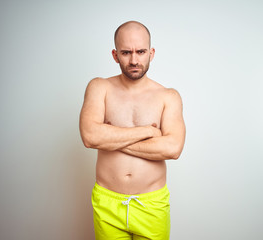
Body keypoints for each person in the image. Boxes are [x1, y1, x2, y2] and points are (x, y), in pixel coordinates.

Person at [79, 21, 186, 240]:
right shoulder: (100, 87)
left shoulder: (168, 96)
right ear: (115, 54)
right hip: (107, 202)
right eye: (126, 52)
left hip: (152, 205)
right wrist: (147, 131)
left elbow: (173, 149)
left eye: (141, 51)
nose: (134, 60)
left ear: (151, 53)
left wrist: (110, 137)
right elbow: (90, 137)